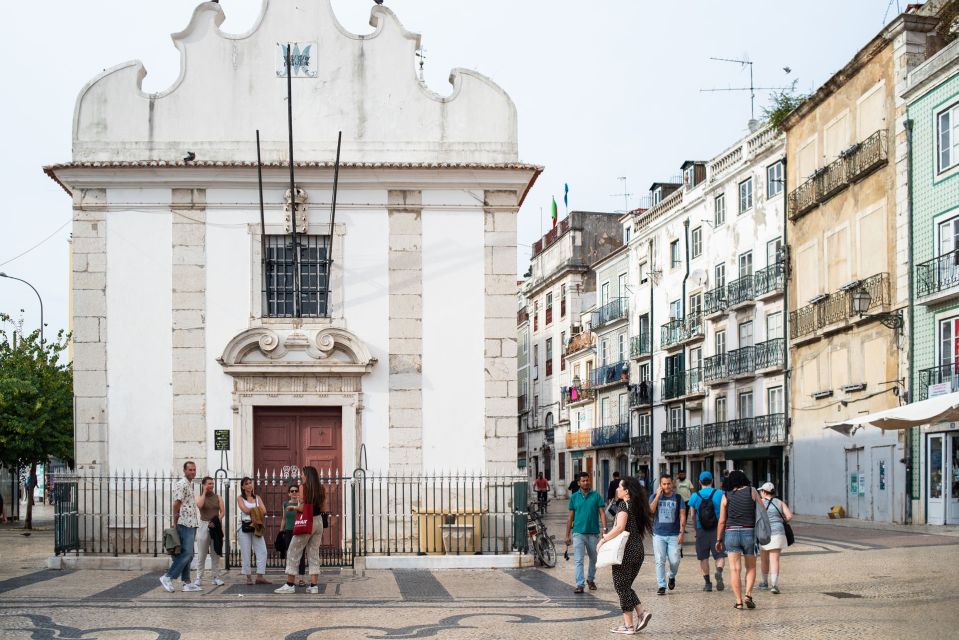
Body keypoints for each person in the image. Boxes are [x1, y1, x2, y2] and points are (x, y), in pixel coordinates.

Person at [597, 476, 653, 633]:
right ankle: (641, 614)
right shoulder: (637, 505)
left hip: (625, 552)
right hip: (638, 551)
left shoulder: (623, 505)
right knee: (625, 587)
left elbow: (620, 527)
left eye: (619, 487)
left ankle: (629, 626)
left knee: (621, 587)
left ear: (626, 491)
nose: (616, 489)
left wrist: (603, 539)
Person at [716, 470, 763, 610]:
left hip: (731, 534)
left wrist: (719, 539)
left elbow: (722, 521)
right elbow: (763, 509)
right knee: (751, 567)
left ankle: (739, 602)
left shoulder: (726, 496)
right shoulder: (752, 491)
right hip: (749, 532)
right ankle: (748, 595)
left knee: (735, 569)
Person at [276, 466, 326, 594]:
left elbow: (303, 508)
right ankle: (314, 586)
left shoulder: (304, 487)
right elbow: (324, 508)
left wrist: (293, 508)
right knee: (313, 553)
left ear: (307, 475)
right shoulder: (321, 488)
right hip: (318, 521)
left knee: (293, 551)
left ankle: (290, 584)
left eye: (302, 474)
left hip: (307, 522)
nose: (301, 476)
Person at [160, 461, 201, 593]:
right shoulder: (182, 484)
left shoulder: (189, 484)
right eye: (190, 470)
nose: (193, 472)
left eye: (194, 470)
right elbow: (176, 504)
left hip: (192, 522)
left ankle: (187, 582)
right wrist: (175, 521)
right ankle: (168, 577)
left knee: (188, 554)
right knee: (188, 553)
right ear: (184, 471)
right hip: (184, 523)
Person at [564, 472, 607, 593]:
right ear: (579, 483)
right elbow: (570, 517)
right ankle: (580, 584)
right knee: (578, 560)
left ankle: (590, 579)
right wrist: (567, 535)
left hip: (593, 533)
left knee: (594, 559)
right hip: (578, 533)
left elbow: (602, 513)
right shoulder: (574, 497)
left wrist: (604, 529)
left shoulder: (596, 496)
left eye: (587, 480)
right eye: (583, 481)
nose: (586, 482)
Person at [686, 471, 725, 592]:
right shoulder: (719, 493)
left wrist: (696, 528)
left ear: (700, 482)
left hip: (701, 529)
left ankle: (708, 583)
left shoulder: (695, 496)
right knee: (720, 555)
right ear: (712, 481)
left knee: (703, 557)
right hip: (717, 529)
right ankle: (718, 571)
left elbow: (692, 514)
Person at [649, 473, 685, 595]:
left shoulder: (678, 498)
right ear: (660, 485)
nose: (666, 486)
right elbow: (651, 511)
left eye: (668, 483)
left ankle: (671, 575)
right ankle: (661, 585)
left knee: (675, 561)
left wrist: (681, 532)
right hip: (658, 534)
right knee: (660, 560)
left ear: (672, 483)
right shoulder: (654, 496)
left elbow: (682, 516)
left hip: (674, 534)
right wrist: (658, 495)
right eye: (664, 484)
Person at [758, 482, 793, 594]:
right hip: (778, 533)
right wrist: (781, 520)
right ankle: (774, 585)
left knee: (764, 559)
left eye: (761, 491)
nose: (760, 493)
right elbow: (789, 516)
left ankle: (764, 583)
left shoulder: (760, 503)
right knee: (775, 559)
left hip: (764, 533)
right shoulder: (779, 502)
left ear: (764, 492)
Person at [237, 477, 271, 585]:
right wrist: (257, 510)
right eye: (246, 484)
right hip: (245, 527)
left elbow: (264, 510)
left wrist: (254, 511)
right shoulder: (240, 498)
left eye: (250, 483)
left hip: (257, 526)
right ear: (243, 486)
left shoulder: (257, 497)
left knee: (262, 551)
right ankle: (248, 577)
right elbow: (245, 510)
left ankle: (260, 576)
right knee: (246, 552)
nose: (249, 485)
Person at [193, 476, 225, 587]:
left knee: (215, 553)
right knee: (201, 553)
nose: (211, 486)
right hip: (203, 526)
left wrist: (216, 521)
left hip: (215, 526)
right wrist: (204, 492)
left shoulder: (218, 497)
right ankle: (198, 577)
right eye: (209, 484)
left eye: (212, 484)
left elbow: (222, 512)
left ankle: (216, 577)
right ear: (203, 485)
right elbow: (200, 505)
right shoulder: (199, 497)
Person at [278, 483, 307, 587]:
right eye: (292, 491)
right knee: (290, 554)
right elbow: (284, 518)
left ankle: (301, 578)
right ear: (289, 493)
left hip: (299, 529)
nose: (294, 492)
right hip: (289, 531)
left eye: (296, 490)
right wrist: (281, 531)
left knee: (301, 555)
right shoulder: (285, 504)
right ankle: (291, 578)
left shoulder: (301, 503)